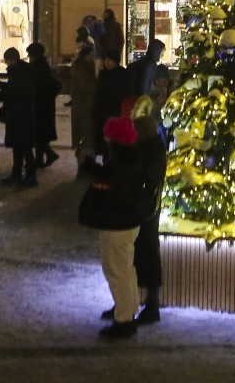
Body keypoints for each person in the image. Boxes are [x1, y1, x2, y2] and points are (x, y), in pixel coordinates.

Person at [80, 105, 166, 339]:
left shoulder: (130, 160)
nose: (106, 139)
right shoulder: (132, 157)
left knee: (119, 270)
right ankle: (126, 311)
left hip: (121, 221)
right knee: (125, 270)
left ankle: (126, 318)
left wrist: (97, 177)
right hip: (129, 219)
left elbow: (116, 185)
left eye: (109, 136)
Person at [99, 96, 169, 327]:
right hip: (139, 206)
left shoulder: (151, 150)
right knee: (131, 257)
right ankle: (128, 304)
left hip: (144, 208)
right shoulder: (146, 147)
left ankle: (150, 304)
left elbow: (146, 178)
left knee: (146, 252)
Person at [0, 47, 37, 186]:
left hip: (20, 115)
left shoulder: (18, 73)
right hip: (21, 114)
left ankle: (28, 175)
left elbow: (16, 93)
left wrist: (2, 91)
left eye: (7, 60)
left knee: (23, 146)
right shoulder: (23, 71)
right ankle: (19, 173)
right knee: (20, 146)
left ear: (12, 59)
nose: (6, 64)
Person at [28, 42, 62, 169]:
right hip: (45, 106)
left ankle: (43, 157)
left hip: (39, 105)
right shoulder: (43, 66)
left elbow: (42, 86)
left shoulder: (37, 68)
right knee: (41, 135)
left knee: (39, 134)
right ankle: (42, 158)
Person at [69, 37, 99, 153]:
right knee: (82, 127)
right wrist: (96, 85)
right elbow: (84, 86)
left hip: (86, 102)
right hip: (82, 102)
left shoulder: (87, 66)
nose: (92, 57)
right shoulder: (80, 68)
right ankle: (81, 147)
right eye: (91, 55)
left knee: (85, 127)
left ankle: (83, 145)